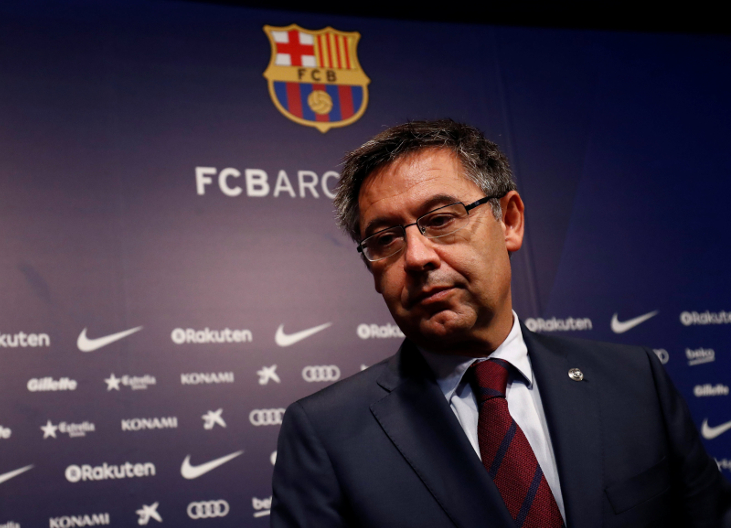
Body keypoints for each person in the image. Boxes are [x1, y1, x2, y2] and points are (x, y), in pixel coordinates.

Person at [270, 119, 731, 527]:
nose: (416, 257)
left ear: (508, 220)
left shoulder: (635, 380)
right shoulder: (326, 434)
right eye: (385, 238)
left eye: (441, 219)